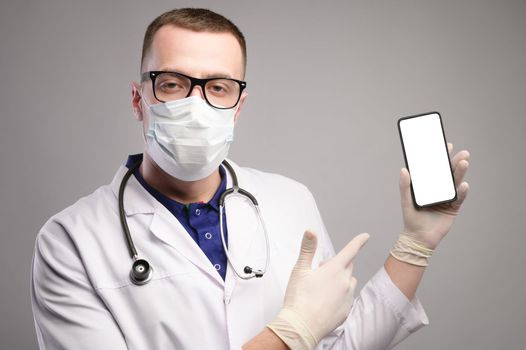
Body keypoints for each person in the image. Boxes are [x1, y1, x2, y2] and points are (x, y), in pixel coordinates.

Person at [30, 8, 470, 350]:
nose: (195, 105)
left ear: (239, 105)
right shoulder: (70, 241)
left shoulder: (290, 200)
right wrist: (289, 334)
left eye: (218, 87)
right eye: (172, 84)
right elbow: (298, 336)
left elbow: (339, 344)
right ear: (138, 97)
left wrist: (417, 243)